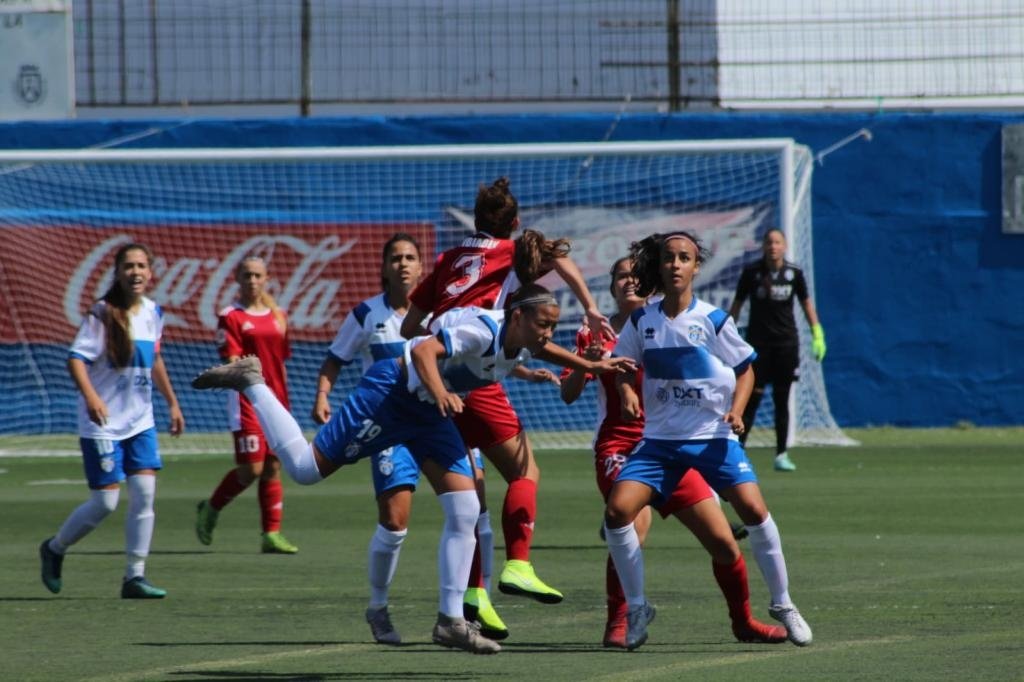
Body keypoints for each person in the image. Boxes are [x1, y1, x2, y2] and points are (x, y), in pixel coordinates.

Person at [192, 283, 631, 654]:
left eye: (553, 325)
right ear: (515, 316)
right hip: (392, 394)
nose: (549, 333)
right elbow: (422, 351)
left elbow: (542, 349)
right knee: (305, 469)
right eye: (543, 324)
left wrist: (590, 364)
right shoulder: (483, 329)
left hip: (428, 414)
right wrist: (442, 393)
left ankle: (451, 621)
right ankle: (251, 380)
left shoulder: (518, 339)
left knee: (464, 507)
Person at [400, 177, 615, 605]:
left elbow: (409, 328)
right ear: (514, 222)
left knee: (472, 494)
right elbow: (559, 258)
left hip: (429, 385)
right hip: (472, 382)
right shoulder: (508, 252)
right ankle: (518, 564)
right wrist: (590, 307)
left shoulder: (448, 258)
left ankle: (475, 595)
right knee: (524, 472)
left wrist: (446, 339)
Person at [561, 256, 786, 649]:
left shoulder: (671, 323)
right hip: (623, 446)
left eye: (635, 275)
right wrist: (588, 366)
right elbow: (568, 393)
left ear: (650, 284)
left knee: (723, 543)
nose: (628, 282)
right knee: (630, 521)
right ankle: (621, 618)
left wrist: (726, 412)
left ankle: (743, 622)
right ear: (611, 286)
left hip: (677, 446)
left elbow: (728, 368)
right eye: (619, 276)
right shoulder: (593, 335)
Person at [603, 232, 813, 650]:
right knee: (617, 511)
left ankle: (783, 603)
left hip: (711, 437)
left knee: (753, 509)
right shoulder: (643, 321)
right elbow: (623, 364)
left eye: (685, 258)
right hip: (660, 442)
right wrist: (626, 389)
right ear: (660, 267)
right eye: (669, 258)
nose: (677, 264)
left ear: (696, 267)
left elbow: (746, 369)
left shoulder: (713, 319)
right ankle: (638, 606)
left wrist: (736, 410)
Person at [310, 233, 507, 644]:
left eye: (410, 257)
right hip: (391, 424)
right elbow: (334, 360)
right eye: (395, 258)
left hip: (438, 419)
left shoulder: (441, 315)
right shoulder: (366, 314)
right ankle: (378, 607)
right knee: (395, 521)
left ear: (422, 269)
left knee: (473, 505)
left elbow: (484, 352)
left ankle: (471, 603)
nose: (403, 264)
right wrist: (323, 395)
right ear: (383, 267)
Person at [39, 242, 185, 599]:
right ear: (117, 273)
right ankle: (55, 548)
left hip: (140, 421)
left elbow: (156, 360)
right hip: (103, 423)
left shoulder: (154, 312)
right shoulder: (102, 313)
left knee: (145, 493)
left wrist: (173, 403)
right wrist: (91, 396)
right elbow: (76, 359)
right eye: (128, 266)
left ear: (151, 272)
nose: (135, 272)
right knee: (105, 502)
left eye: (141, 266)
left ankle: (134, 577)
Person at [195, 255, 298, 554]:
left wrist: (282, 399)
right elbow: (231, 361)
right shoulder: (231, 316)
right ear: (237, 279)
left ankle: (271, 534)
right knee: (251, 469)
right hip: (246, 399)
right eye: (247, 275)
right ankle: (211, 508)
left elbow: (282, 362)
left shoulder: (279, 315)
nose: (252, 281)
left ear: (267, 279)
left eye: (257, 275)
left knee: (273, 466)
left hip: (276, 399)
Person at [729, 228, 826, 472]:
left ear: (784, 246)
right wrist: (726, 336)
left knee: (782, 401)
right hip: (758, 346)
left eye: (777, 242)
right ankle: (737, 452)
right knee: (752, 400)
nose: (773, 246)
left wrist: (817, 332)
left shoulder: (794, 274)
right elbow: (737, 306)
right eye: (769, 242)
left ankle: (781, 454)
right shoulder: (752, 273)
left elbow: (806, 303)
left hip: (786, 345)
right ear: (763, 247)